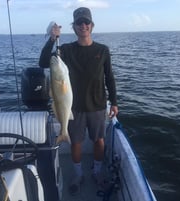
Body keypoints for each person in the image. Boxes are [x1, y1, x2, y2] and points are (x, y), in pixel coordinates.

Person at [39, 7, 118, 195]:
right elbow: (43, 62)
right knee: (76, 143)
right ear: (74, 27)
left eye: (86, 23)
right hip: (73, 107)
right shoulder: (65, 50)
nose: (83, 26)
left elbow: (110, 77)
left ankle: (97, 172)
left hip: (98, 104)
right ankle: (78, 174)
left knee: (99, 141)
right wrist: (52, 39)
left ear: (91, 26)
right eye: (79, 23)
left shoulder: (102, 50)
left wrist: (114, 102)